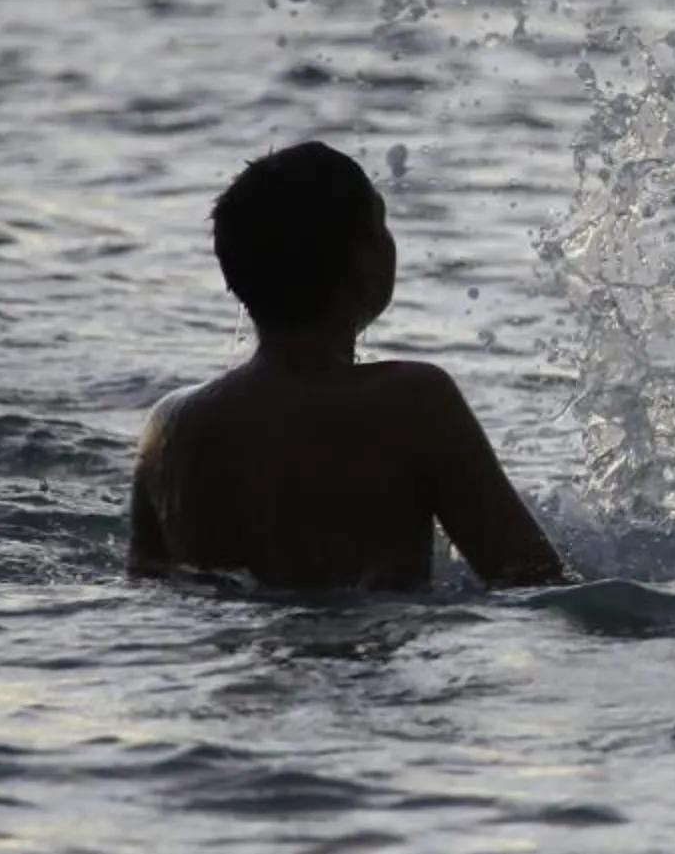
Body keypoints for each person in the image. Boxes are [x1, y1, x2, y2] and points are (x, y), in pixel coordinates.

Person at [128, 141, 566, 592]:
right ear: (363, 260)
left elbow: (147, 585)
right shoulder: (414, 402)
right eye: (381, 226)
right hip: (368, 632)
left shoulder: (168, 427)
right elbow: (532, 578)